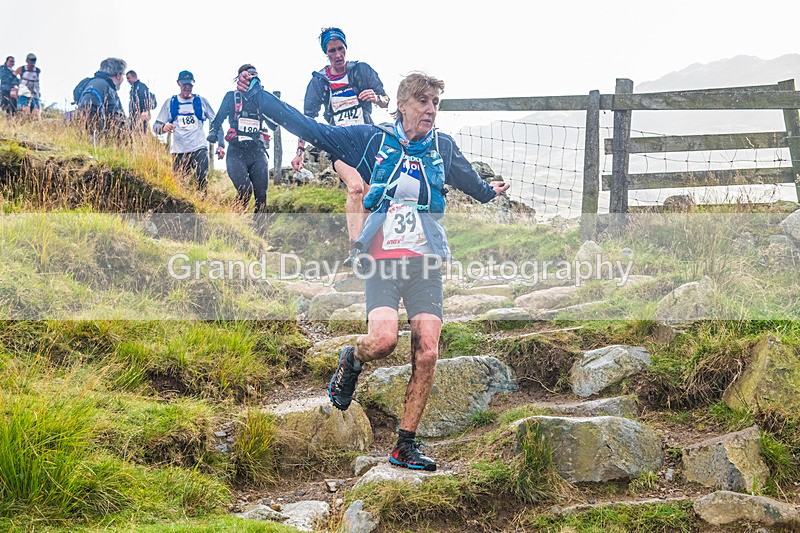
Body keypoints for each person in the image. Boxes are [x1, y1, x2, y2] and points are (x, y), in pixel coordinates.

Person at [237, 70, 509, 472]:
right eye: (423, 101)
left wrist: (490, 192)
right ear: (401, 105)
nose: (431, 110)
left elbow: (471, 181)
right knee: (382, 341)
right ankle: (351, 359)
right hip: (382, 262)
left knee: (428, 351)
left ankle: (404, 445)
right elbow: (313, 129)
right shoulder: (372, 140)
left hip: (424, 264)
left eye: (435, 103)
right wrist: (259, 99)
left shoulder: (443, 148)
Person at [294, 27, 390, 264]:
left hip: (367, 141)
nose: (337, 55)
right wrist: (300, 152)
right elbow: (306, 120)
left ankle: (369, 247)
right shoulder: (319, 82)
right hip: (339, 143)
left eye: (340, 49)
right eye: (331, 51)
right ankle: (355, 248)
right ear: (326, 53)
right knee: (355, 188)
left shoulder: (361, 71)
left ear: (346, 48)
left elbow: (386, 99)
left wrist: (375, 98)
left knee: (370, 194)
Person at [208, 64, 276, 218]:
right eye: (247, 75)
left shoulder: (262, 99)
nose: (250, 79)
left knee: (261, 196)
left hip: (257, 151)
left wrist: (265, 102)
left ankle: (259, 231)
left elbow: (274, 125)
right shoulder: (231, 97)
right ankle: (235, 222)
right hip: (236, 152)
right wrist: (214, 135)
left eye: (254, 75)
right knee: (244, 190)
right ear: (240, 78)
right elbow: (217, 120)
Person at [153, 71, 218, 192]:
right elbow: (156, 126)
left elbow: (216, 121)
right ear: (178, 83)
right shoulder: (170, 103)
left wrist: (220, 144)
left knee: (202, 180)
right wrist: (164, 128)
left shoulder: (201, 101)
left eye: (190, 85)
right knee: (180, 184)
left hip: (199, 147)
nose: (187, 87)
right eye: (184, 84)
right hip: (179, 151)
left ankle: (202, 205)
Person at [75, 57, 127, 133]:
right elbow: (87, 109)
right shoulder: (101, 85)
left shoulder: (102, 85)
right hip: (97, 141)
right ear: (118, 75)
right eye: (123, 75)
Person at [126, 70, 156, 134]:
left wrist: (145, 111)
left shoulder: (141, 87)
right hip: (134, 116)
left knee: (140, 134)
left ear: (134, 77)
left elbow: (145, 99)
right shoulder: (134, 88)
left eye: (128, 78)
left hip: (141, 116)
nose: (128, 80)